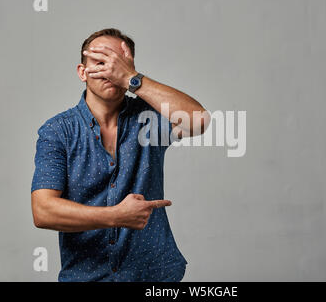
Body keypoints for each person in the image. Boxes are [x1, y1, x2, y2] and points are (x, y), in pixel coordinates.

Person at [30, 28, 210, 282]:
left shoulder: (149, 118)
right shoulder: (58, 130)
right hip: (87, 277)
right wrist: (116, 216)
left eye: (118, 63)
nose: (109, 71)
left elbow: (199, 121)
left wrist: (134, 79)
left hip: (154, 278)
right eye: (100, 62)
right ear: (82, 72)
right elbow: (43, 211)